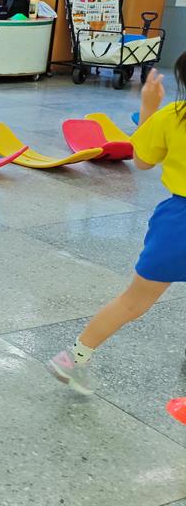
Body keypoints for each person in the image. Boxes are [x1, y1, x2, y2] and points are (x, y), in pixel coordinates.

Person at [48, 55, 186, 395]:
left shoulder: (173, 116)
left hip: (176, 223)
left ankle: (74, 357)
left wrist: (149, 108)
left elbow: (143, 161)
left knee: (133, 301)